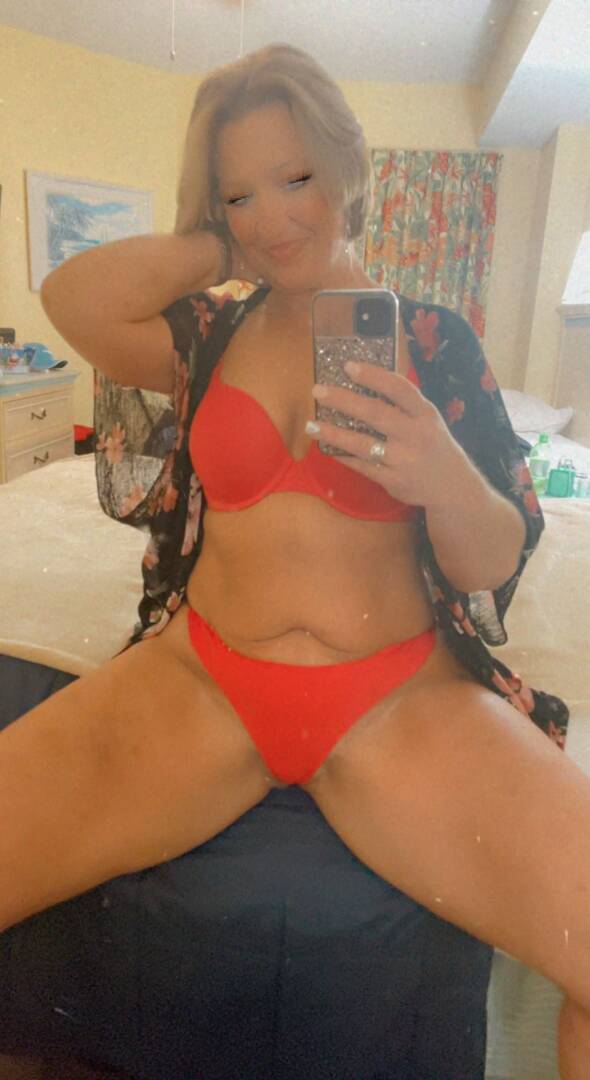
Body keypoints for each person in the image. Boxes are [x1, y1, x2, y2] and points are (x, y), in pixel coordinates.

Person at [5, 40, 588, 1075]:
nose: (273, 217)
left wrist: (440, 471)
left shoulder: (430, 338)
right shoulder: (207, 334)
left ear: (346, 165)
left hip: (398, 700)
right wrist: (213, 243)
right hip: (201, 681)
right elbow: (75, 299)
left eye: (296, 178)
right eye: (241, 193)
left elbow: (490, 563)